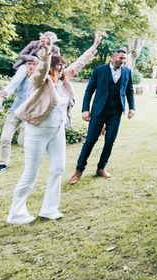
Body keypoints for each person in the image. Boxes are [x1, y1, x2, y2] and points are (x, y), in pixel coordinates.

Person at [6, 33, 101, 224]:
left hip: (57, 130)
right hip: (38, 131)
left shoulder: (63, 80)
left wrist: (95, 45)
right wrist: (47, 51)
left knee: (58, 168)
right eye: (59, 67)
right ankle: (16, 213)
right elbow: (41, 68)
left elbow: (80, 63)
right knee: (30, 173)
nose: (62, 69)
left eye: (63, 66)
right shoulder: (39, 81)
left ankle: (49, 209)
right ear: (51, 68)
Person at [68, 47, 136, 185]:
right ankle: (79, 170)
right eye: (120, 58)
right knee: (90, 140)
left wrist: (132, 107)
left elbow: (129, 90)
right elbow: (89, 90)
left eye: (124, 58)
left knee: (110, 141)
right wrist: (85, 109)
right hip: (99, 111)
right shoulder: (99, 70)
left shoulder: (127, 71)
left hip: (116, 112)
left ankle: (101, 168)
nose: (122, 61)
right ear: (113, 56)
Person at [0, 57, 39, 174]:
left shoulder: (40, 79)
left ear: (37, 66)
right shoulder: (20, 77)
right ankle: (3, 164)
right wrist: (4, 93)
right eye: (28, 64)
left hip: (30, 114)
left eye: (33, 64)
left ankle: (36, 156)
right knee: (5, 138)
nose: (31, 66)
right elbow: (11, 87)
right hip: (15, 111)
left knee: (22, 141)